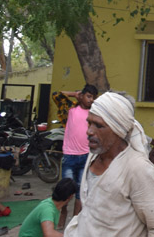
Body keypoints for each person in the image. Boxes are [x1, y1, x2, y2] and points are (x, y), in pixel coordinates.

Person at [63, 91, 154, 237]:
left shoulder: (137, 168)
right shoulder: (93, 156)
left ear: (118, 130)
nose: (89, 131)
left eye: (99, 126)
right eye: (89, 122)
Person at [60, 84, 98, 219]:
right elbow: (57, 95)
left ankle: (75, 220)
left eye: (93, 97)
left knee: (81, 190)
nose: (91, 100)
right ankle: (62, 215)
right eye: (88, 96)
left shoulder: (94, 113)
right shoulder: (71, 109)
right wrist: (75, 94)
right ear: (81, 96)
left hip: (86, 156)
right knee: (65, 189)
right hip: (70, 156)